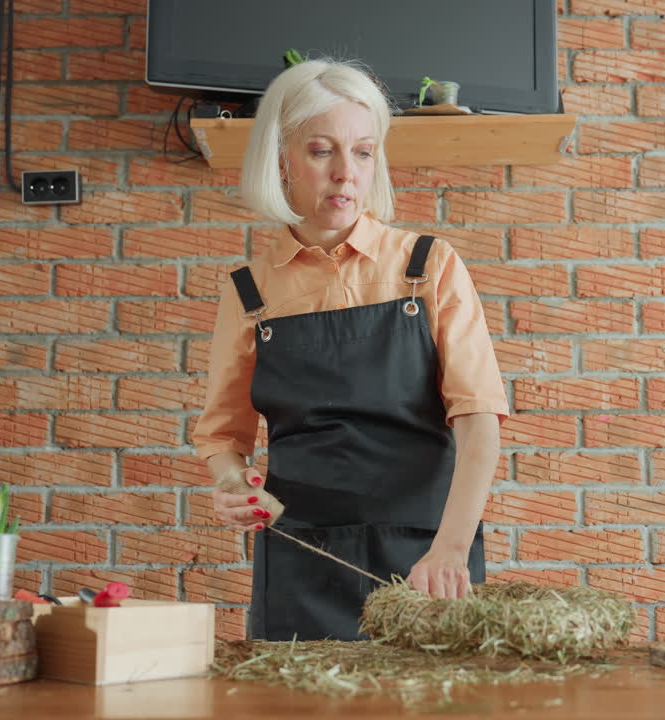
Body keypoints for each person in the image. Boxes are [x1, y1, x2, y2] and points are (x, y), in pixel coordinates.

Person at [192, 58, 508, 642]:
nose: (346, 174)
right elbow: (221, 438)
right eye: (321, 151)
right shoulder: (250, 292)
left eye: (363, 152)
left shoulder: (428, 267)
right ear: (281, 158)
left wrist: (451, 551)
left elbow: (479, 422)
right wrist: (235, 487)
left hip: (427, 563)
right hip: (299, 567)